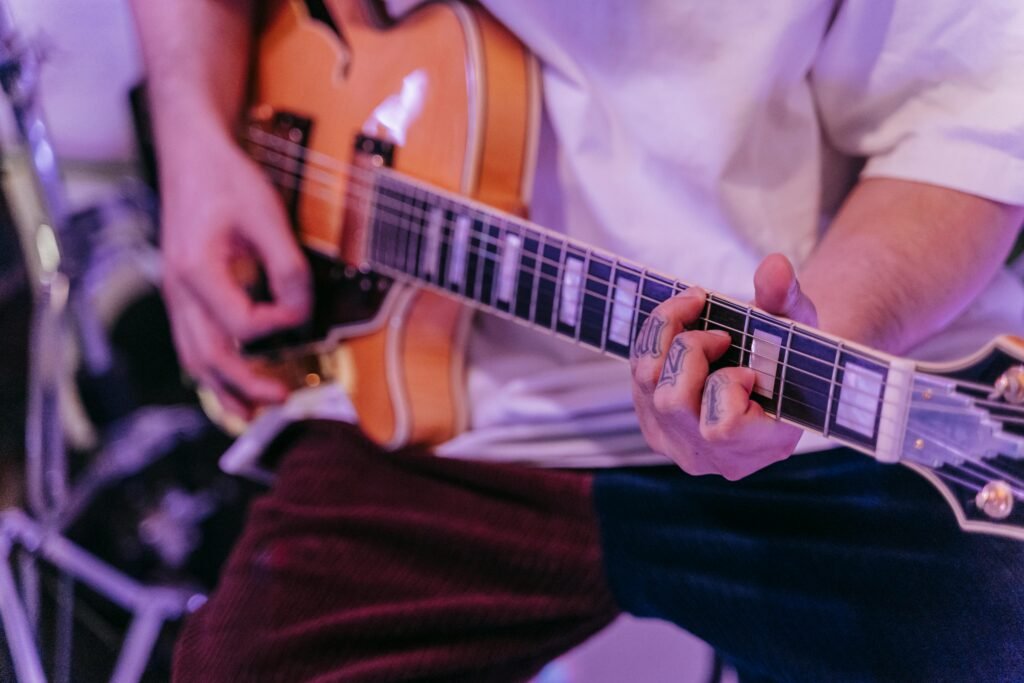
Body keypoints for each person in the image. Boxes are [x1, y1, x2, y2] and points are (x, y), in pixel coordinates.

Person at [129, 0, 1024, 680]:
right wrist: (193, 136)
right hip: (437, 402)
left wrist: (808, 346)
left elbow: (963, 124)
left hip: (819, 400)